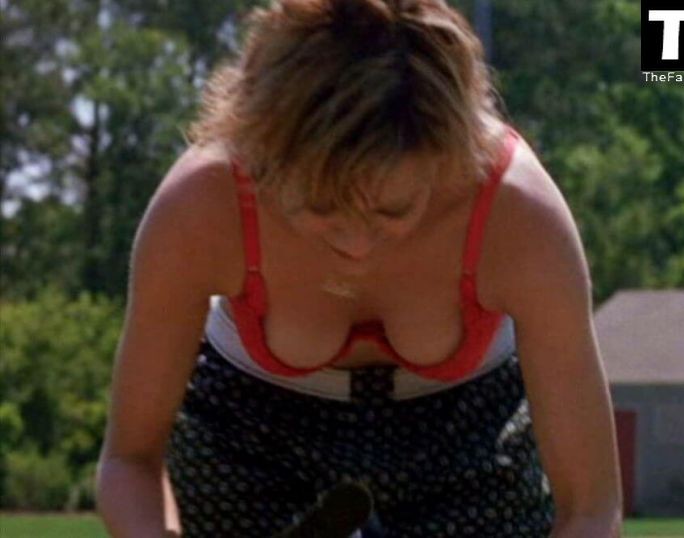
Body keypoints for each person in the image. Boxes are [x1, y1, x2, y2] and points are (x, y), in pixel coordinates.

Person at [95, 0, 622, 536]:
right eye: (320, 206)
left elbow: (591, 507)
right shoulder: (202, 201)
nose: (356, 244)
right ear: (262, 156)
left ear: (447, 161)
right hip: (243, 441)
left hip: (469, 443)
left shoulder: (519, 212)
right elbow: (130, 460)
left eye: (394, 211)